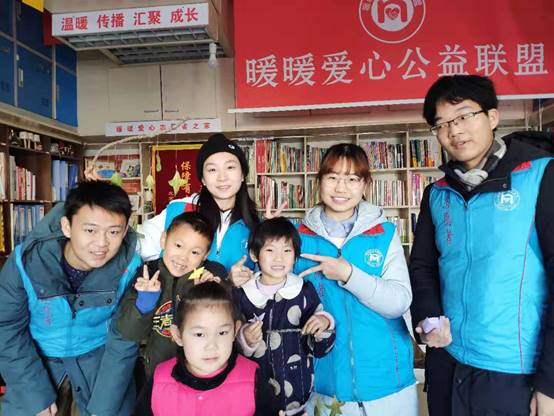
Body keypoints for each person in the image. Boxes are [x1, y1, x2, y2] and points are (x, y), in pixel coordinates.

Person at [409, 74, 554, 416]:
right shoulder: (437, 193)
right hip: (448, 362)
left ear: (492, 117)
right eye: (442, 123)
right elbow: (423, 266)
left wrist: (550, 382)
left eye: (464, 116)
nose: (454, 131)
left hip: (513, 371)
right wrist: (428, 317)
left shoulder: (541, 176)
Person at [292, 143, 416, 415]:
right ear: (319, 181)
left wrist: (348, 274)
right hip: (323, 383)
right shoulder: (296, 237)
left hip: (387, 381)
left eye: (352, 179)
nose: (341, 188)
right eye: (332, 177)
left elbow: (399, 302)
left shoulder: (385, 233)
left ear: (365, 185)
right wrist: (266, 238)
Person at [0, 180, 142, 416]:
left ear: (125, 230)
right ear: (67, 226)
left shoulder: (131, 267)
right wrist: (32, 393)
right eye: (90, 230)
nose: (102, 243)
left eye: (113, 232)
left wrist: (105, 405)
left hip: (102, 370)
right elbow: (6, 327)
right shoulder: (25, 262)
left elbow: (125, 338)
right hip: (34, 366)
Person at [236, 217, 335, 415]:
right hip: (254, 396)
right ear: (254, 254)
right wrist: (245, 338)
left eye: (287, 251)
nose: (279, 259)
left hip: (298, 392)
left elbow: (320, 349)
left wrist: (323, 324)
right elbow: (230, 341)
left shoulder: (304, 291)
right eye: (270, 250)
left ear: (295, 256)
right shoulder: (242, 294)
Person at [117, 212, 227, 385]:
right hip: (157, 376)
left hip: (202, 377)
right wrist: (145, 302)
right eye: (178, 245)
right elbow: (129, 332)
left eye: (195, 252)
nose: (183, 257)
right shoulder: (146, 276)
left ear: (205, 255)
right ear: (163, 240)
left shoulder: (210, 278)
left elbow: (227, 327)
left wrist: (204, 295)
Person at [145, 281, 281, 416]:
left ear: (235, 331)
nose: (212, 345)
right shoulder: (159, 379)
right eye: (199, 334)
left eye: (222, 333)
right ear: (178, 335)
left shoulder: (252, 378)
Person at [137, 133, 260, 274]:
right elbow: (136, 245)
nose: (222, 177)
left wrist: (273, 228)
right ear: (203, 179)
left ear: (243, 174)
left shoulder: (254, 223)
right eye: (212, 169)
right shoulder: (180, 209)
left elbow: (265, 275)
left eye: (230, 167)